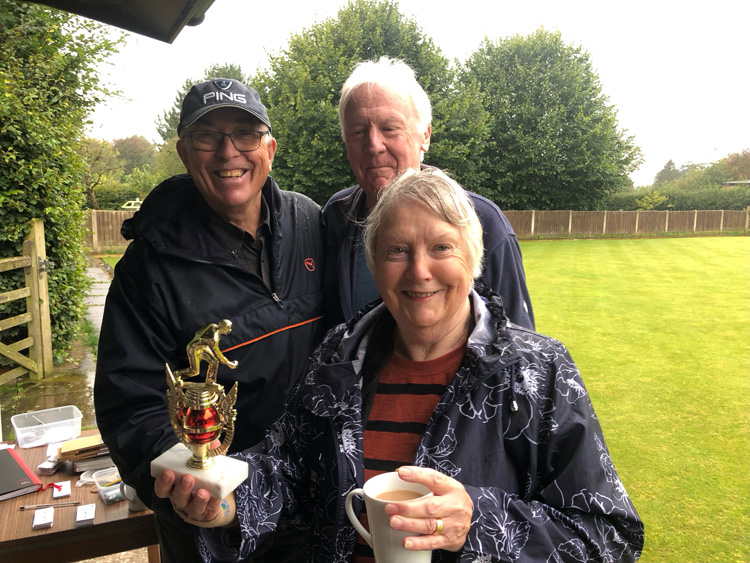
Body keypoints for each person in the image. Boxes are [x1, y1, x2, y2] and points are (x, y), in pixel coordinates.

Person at [155, 168, 644, 563]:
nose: (419, 271)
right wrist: (227, 502)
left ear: (473, 256)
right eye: (397, 251)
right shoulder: (338, 358)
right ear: (373, 263)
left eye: (441, 247)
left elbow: (610, 536)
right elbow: (288, 473)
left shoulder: (539, 373)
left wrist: (477, 523)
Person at [94, 78, 325, 562]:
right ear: (183, 152)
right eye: (208, 136)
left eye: (244, 133)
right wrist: (189, 486)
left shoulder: (310, 222)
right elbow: (129, 406)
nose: (228, 152)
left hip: (315, 503)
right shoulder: (148, 267)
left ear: (270, 148)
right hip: (216, 528)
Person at [323, 56, 535, 331]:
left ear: (425, 135)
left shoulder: (481, 220)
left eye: (389, 128)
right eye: (359, 131)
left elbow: (518, 343)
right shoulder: (337, 216)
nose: (374, 145)